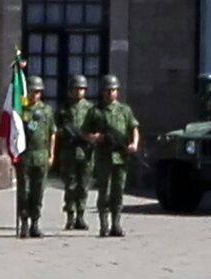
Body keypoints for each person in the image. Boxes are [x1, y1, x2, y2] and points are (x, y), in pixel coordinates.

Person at [84, 75, 140, 237]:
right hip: (104, 157)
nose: (111, 93)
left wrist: (134, 144)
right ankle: (104, 225)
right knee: (104, 192)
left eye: (113, 90)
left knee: (118, 191)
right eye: (108, 90)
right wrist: (94, 138)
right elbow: (84, 131)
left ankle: (116, 224)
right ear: (102, 92)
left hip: (121, 157)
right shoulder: (95, 112)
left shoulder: (124, 110)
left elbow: (134, 128)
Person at [14, 76, 56, 239]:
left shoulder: (46, 110)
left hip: (41, 155)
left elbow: (52, 133)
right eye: (32, 91)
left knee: (38, 191)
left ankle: (35, 223)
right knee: (24, 191)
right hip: (25, 155)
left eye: (38, 92)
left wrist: (51, 154)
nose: (35, 95)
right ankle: (24, 222)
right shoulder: (21, 109)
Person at [56, 75, 94, 231]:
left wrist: (89, 138)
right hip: (69, 152)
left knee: (84, 186)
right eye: (76, 89)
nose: (79, 92)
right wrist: (64, 134)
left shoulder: (91, 109)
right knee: (70, 186)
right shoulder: (64, 110)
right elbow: (56, 129)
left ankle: (81, 216)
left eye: (81, 89)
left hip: (86, 152)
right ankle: (70, 216)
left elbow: (96, 128)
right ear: (70, 91)